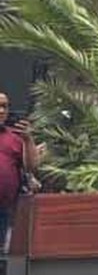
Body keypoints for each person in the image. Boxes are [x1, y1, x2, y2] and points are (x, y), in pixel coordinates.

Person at [0, 92, 40, 254]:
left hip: (4, 210)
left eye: (4, 106)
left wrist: (28, 140)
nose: (2, 111)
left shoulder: (15, 138)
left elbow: (31, 167)